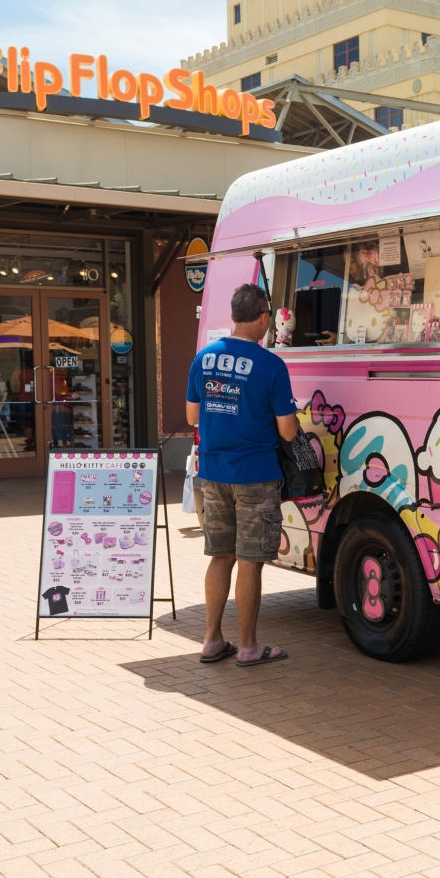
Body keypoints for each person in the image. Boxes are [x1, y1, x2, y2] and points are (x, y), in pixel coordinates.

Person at [184, 284, 299, 668]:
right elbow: (287, 432)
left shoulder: (203, 358)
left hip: (213, 473)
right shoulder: (271, 366)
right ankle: (248, 646)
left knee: (220, 556)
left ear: (234, 315)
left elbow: (191, 416)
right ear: (265, 318)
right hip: (255, 476)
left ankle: (212, 640)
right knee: (250, 561)